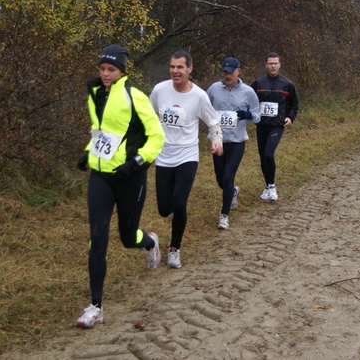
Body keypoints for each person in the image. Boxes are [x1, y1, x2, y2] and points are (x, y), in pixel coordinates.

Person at [75, 44, 165, 328]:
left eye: (110, 70)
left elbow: (156, 136)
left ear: (122, 71)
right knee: (97, 237)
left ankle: (149, 242)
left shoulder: (133, 95)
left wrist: (137, 162)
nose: (104, 74)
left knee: (128, 238)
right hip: (101, 176)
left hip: (130, 177)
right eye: (102, 69)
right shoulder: (95, 95)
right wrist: (89, 152)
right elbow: (104, 131)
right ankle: (95, 306)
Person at [149, 50, 223, 268]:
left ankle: (174, 249)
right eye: (172, 67)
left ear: (190, 69)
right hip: (163, 155)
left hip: (187, 155)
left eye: (180, 67)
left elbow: (214, 121)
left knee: (179, 202)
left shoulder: (199, 96)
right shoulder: (159, 90)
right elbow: (148, 114)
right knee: (164, 209)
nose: (175, 71)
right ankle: (156, 239)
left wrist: (216, 141)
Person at [207, 57, 261, 229]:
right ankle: (233, 191)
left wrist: (248, 115)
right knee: (221, 181)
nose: (228, 75)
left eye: (231, 72)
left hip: (237, 141)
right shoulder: (214, 89)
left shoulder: (248, 92)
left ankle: (224, 215)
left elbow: (257, 115)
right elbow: (204, 109)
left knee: (228, 176)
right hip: (218, 141)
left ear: (239, 71)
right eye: (225, 72)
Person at [251, 52, 299, 201]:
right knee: (263, 157)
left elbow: (294, 105)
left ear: (279, 65)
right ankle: (267, 186)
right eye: (270, 63)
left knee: (268, 154)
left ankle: (272, 187)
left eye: (275, 63)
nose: (273, 66)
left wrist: (290, 117)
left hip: (277, 125)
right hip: (262, 125)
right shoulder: (258, 83)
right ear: (266, 65)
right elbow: (251, 101)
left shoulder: (287, 84)